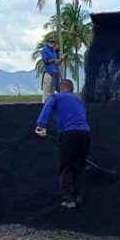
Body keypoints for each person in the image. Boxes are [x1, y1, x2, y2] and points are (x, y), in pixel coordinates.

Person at [35, 79, 91, 208]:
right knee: (79, 165)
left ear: (60, 88)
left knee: (66, 166)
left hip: (68, 135)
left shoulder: (56, 97)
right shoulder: (79, 100)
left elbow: (47, 108)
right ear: (72, 89)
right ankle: (79, 196)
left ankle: (68, 199)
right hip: (85, 134)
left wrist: (41, 125)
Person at [41, 38, 62, 102]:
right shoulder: (44, 50)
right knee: (47, 92)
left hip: (55, 74)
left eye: (53, 42)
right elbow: (45, 61)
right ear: (47, 43)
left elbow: (56, 63)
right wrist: (54, 60)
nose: (52, 43)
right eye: (50, 42)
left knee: (53, 91)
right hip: (48, 73)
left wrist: (60, 59)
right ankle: (44, 104)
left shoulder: (54, 52)